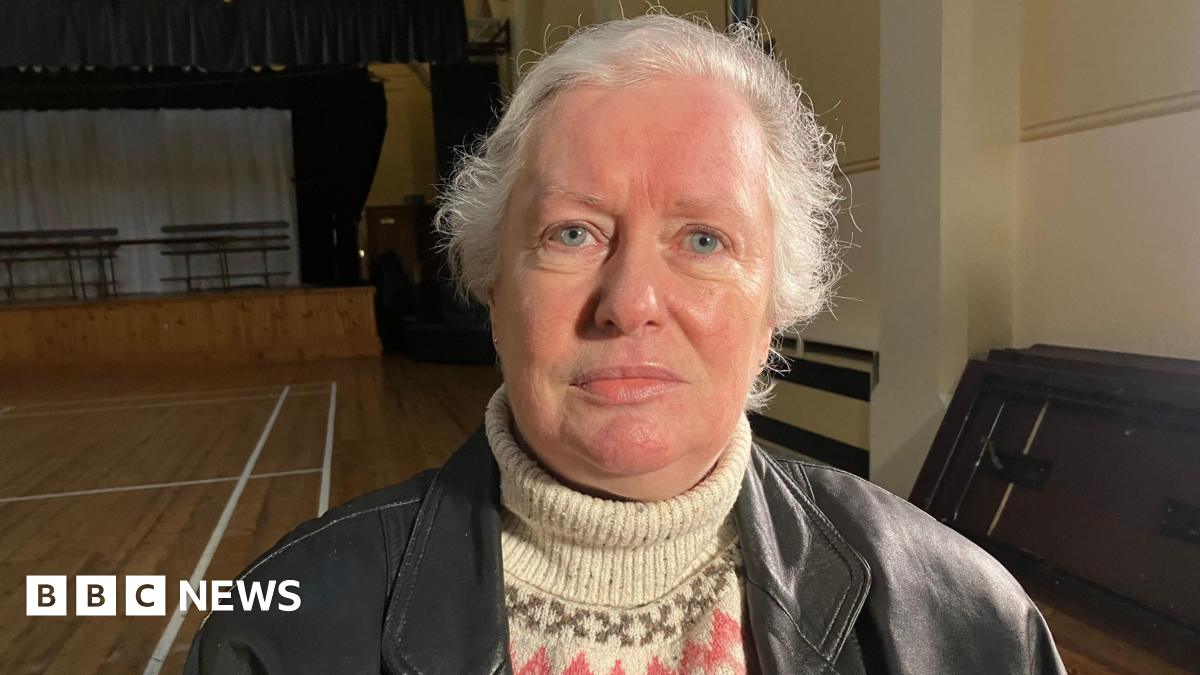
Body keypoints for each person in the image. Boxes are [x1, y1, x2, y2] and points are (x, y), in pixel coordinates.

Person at [185, 12, 1066, 674]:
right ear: (493, 286)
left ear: (774, 304)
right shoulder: (283, 633)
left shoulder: (967, 623)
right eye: (572, 233)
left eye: (704, 239)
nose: (631, 302)